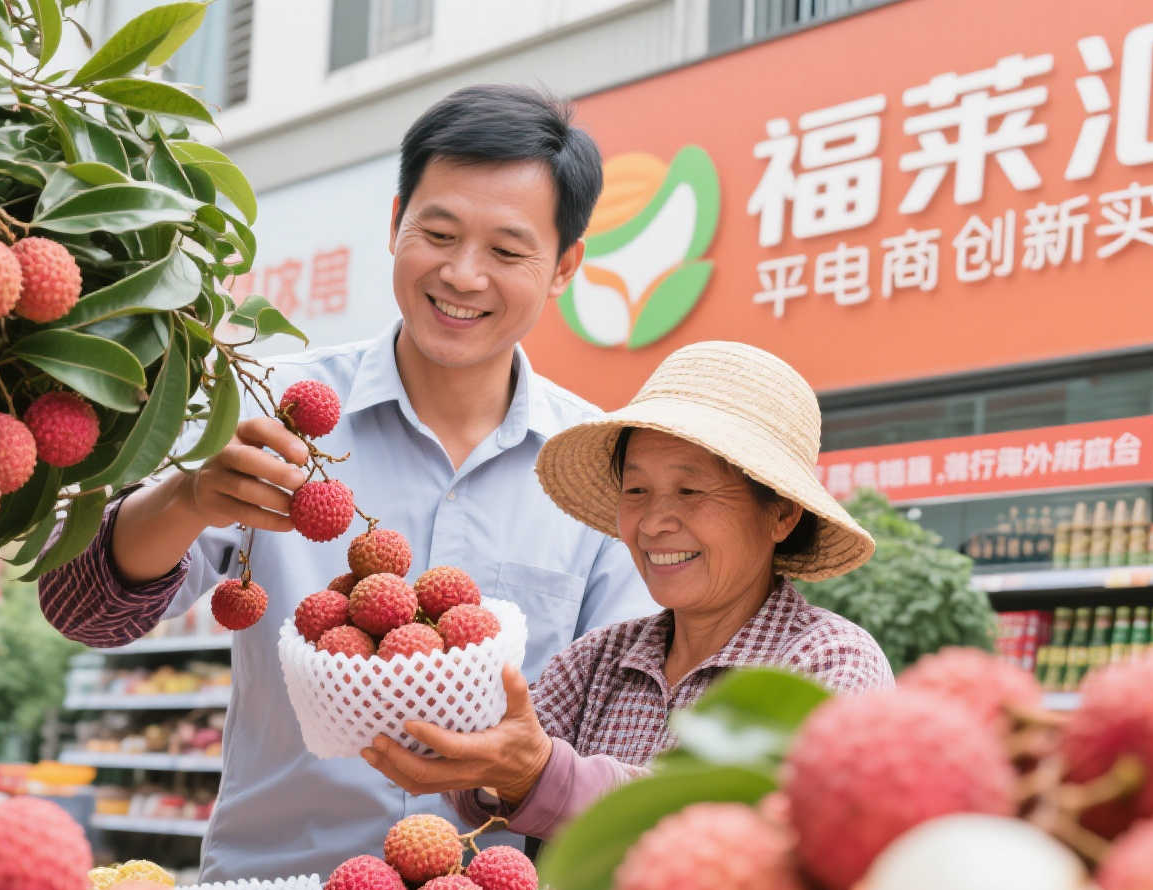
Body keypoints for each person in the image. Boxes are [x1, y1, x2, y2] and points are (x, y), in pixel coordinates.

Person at [39, 85, 657, 883]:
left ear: (565, 266)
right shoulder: (270, 407)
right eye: (437, 234)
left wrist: (524, 768)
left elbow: (630, 734)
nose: (463, 275)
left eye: (507, 253)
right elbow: (80, 611)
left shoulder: (601, 472)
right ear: (396, 221)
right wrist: (188, 498)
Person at [358, 341, 892, 840]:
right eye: (637, 489)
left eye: (690, 490)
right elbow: (500, 777)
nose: (656, 521)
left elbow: (761, 825)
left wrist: (541, 773)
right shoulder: (598, 660)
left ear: (780, 514)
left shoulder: (827, 661)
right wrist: (463, 752)